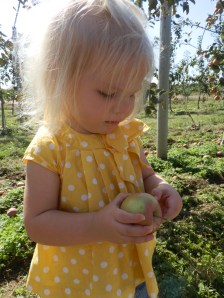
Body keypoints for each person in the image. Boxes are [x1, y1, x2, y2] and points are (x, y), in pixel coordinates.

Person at [22, 0, 182, 297]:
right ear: (59, 79)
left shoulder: (125, 136)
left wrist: (161, 187)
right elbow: (37, 224)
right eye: (108, 92)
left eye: (131, 94)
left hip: (128, 270)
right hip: (78, 285)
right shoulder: (51, 147)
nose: (122, 107)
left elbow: (146, 174)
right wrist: (97, 225)